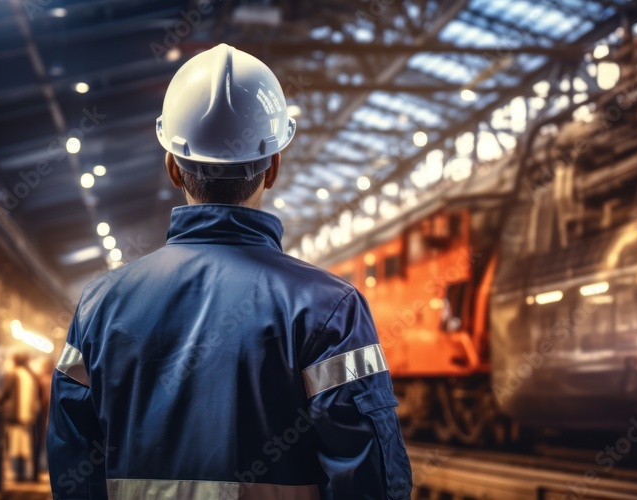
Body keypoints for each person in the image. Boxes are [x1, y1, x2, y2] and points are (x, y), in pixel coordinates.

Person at [48, 44, 412, 499]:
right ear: (275, 166)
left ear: (173, 168)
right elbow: (371, 480)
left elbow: (72, 468)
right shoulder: (330, 308)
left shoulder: (99, 306)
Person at [0, 351, 41, 482]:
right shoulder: (31, 375)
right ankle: (25, 473)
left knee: (14, 446)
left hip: (13, 417)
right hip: (29, 417)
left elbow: (4, 394)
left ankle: (17, 474)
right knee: (24, 446)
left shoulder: (12, 374)